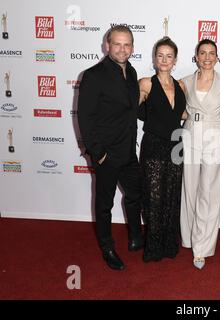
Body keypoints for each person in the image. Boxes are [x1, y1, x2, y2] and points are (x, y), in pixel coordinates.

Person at [77, 25, 143, 271]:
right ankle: (107, 248)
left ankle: (136, 237)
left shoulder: (133, 72)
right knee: (105, 205)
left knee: (135, 195)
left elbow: (131, 111)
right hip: (106, 153)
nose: (122, 49)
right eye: (117, 44)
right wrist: (99, 153)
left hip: (128, 151)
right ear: (107, 45)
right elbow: (85, 117)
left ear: (133, 47)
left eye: (127, 44)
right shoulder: (93, 75)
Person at [180, 39, 220, 270]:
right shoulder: (185, 82)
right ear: (196, 57)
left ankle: (201, 248)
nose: (208, 57)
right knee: (189, 190)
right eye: (203, 53)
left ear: (217, 57)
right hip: (190, 134)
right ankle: (189, 237)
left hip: (214, 136)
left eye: (212, 53)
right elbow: (177, 109)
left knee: (208, 192)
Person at [138, 37, 186, 262]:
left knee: (172, 196)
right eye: (160, 55)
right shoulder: (146, 83)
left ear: (175, 60)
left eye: (169, 56)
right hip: (154, 146)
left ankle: (169, 244)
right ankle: (153, 246)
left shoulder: (181, 86)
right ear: (154, 59)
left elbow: (182, 115)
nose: (164, 60)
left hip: (177, 146)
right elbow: (132, 112)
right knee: (153, 197)